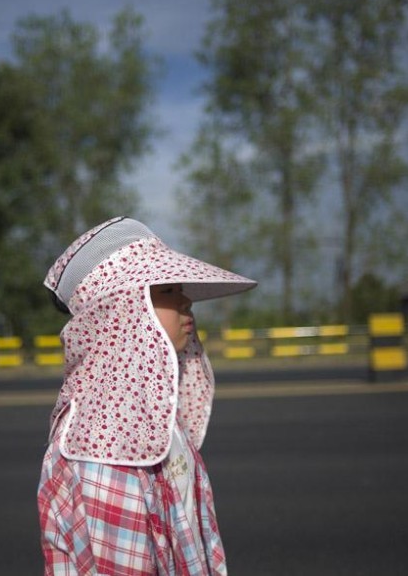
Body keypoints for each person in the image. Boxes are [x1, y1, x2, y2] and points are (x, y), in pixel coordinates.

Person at [38, 216, 257, 575]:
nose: (187, 301)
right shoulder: (102, 444)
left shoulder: (148, 419)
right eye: (167, 291)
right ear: (123, 312)